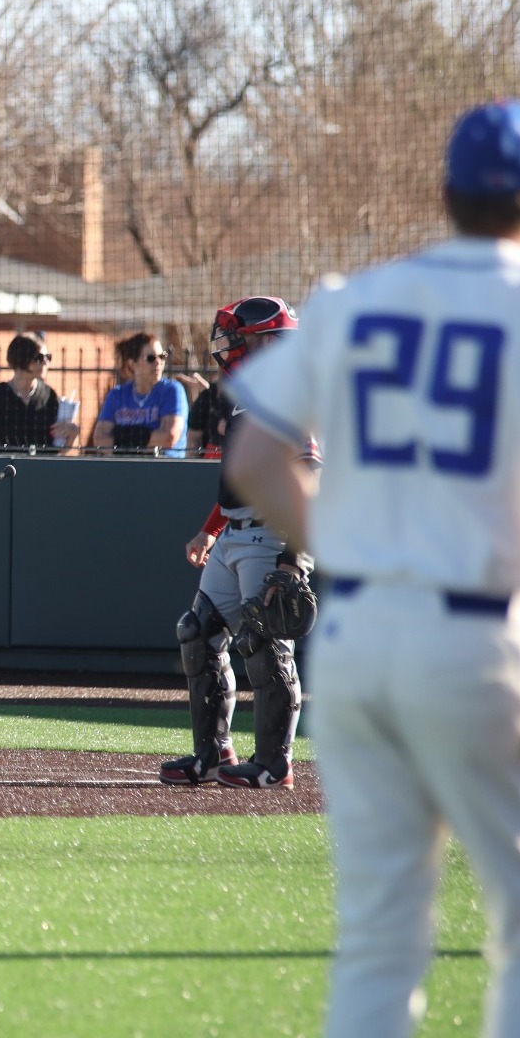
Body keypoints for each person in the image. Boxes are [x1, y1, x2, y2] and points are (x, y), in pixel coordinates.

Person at [225, 100, 520, 1038]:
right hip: (487, 636)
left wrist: (355, 551)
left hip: (362, 642)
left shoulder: (360, 298)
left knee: (379, 941)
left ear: (444, 195)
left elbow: (253, 458)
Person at [158, 296, 316, 789]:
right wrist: (211, 527)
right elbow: (239, 477)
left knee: (264, 644)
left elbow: (311, 474)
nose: (227, 348)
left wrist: (294, 560)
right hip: (233, 534)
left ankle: (275, 763)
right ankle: (211, 753)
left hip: (271, 533)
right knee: (198, 632)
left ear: (268, 339)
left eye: (238, 338)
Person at [0, 330, 78, 452]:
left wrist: (72, 435)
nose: (45, 362)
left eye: (48, 357)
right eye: (39, 358)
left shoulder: (49, 396)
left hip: (39, 469)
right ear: (21, 359)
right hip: (2, 469)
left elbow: (57, 454)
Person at [94, 331, 187, 457]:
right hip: (124, 467)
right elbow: (100, 439)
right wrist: (146, 439)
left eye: (162, 356)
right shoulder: (117, 395)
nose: (158, 362)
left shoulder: (172, 390)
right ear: (132, 364)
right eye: (151, 358)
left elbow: (169, 437)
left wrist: (120, 438)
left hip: (164, 468)